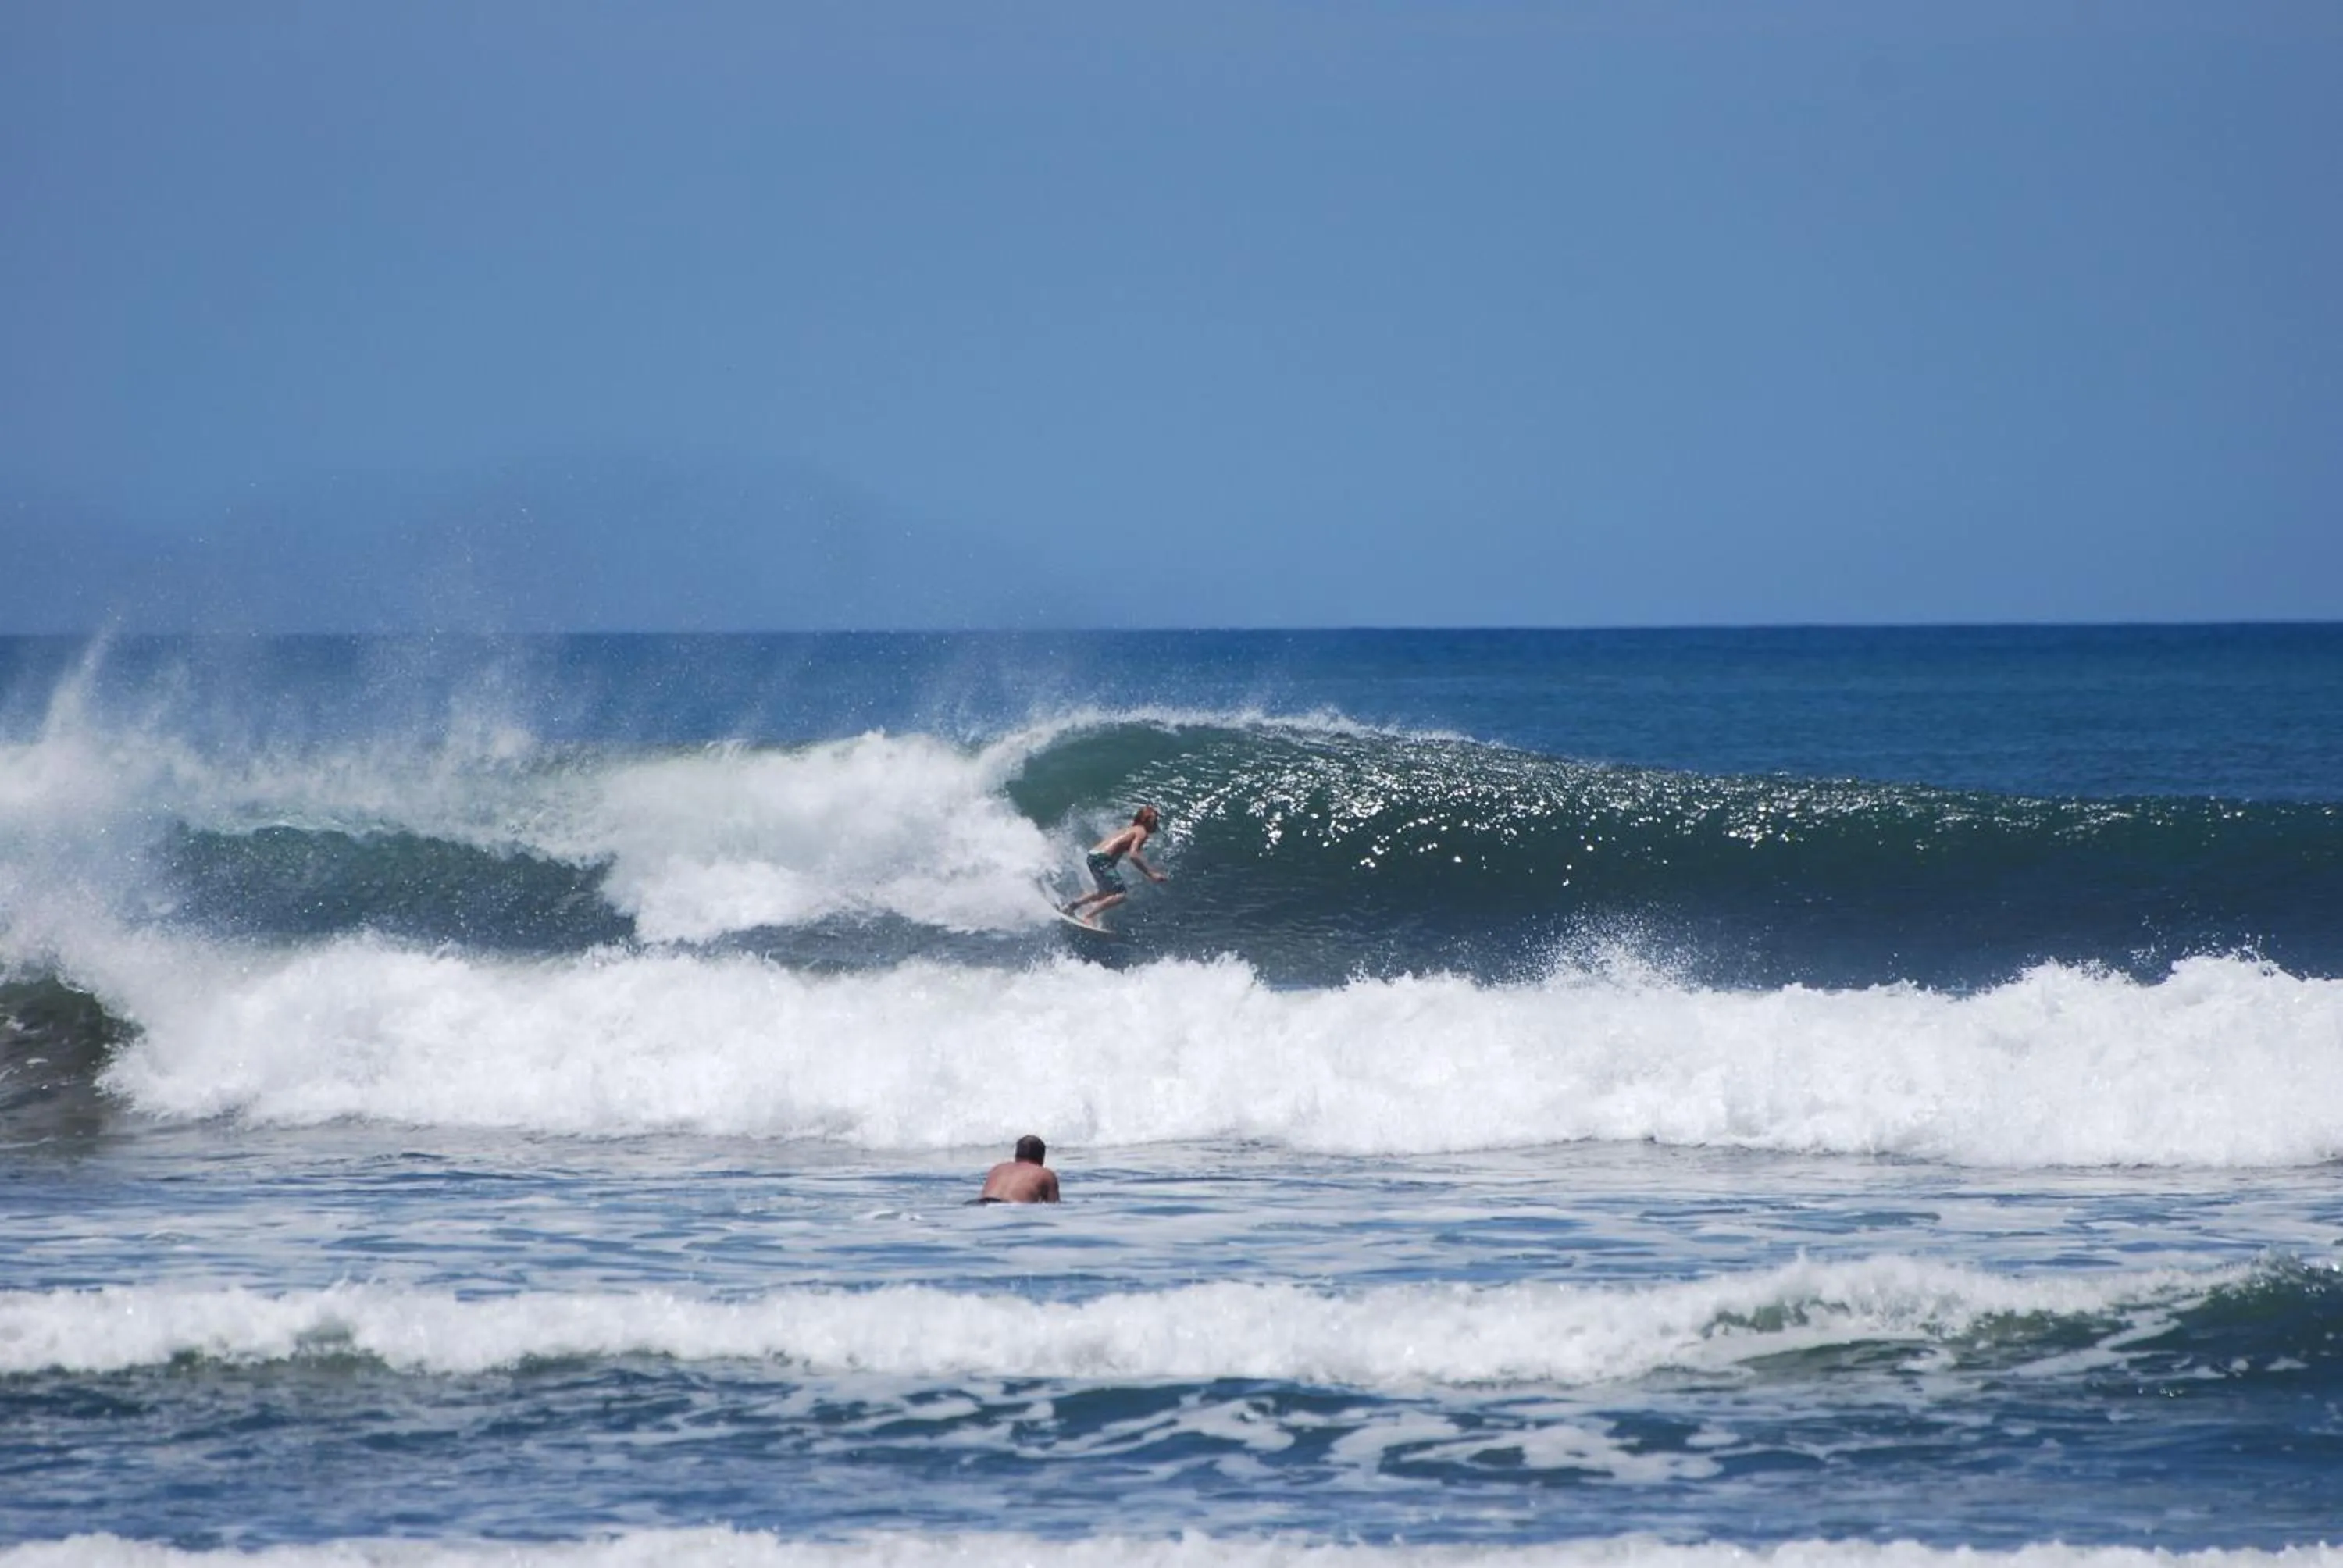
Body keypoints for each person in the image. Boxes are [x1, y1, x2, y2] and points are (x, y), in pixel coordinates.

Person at [1062, 805, 1166, 925]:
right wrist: (1151, 874)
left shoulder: (1129, 829)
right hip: (1102, 859)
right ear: (1145, 820)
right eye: (1154, 820)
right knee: (1120, 894)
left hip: (1093, 856)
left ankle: (1070, 907)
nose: (1156, 823)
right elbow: (1133, 855)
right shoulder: (1141, 832)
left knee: (1104, 893)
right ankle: (1088, 917)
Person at [977, 1134, 1061, 1203]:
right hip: (1012, 1206)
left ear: (1016, 1154)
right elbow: (1053, 1206)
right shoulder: (1046, 1174)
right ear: (1042, 1157)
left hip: (981, 1204)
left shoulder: (997, 1168)